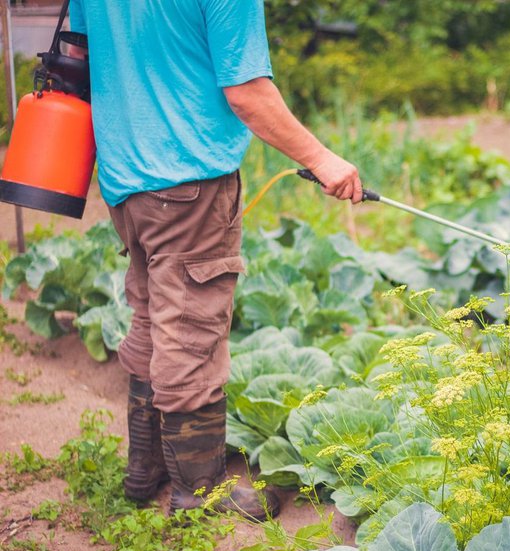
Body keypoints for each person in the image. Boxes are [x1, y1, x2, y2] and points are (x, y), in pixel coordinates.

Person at [68, 0, 363, 520]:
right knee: (191, 331)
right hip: (188, 180)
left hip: (122, 178)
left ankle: (148, 467)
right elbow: (247, 94)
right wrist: (322, 159)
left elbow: (83, 54)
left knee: (151, 316)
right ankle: (198, 492)